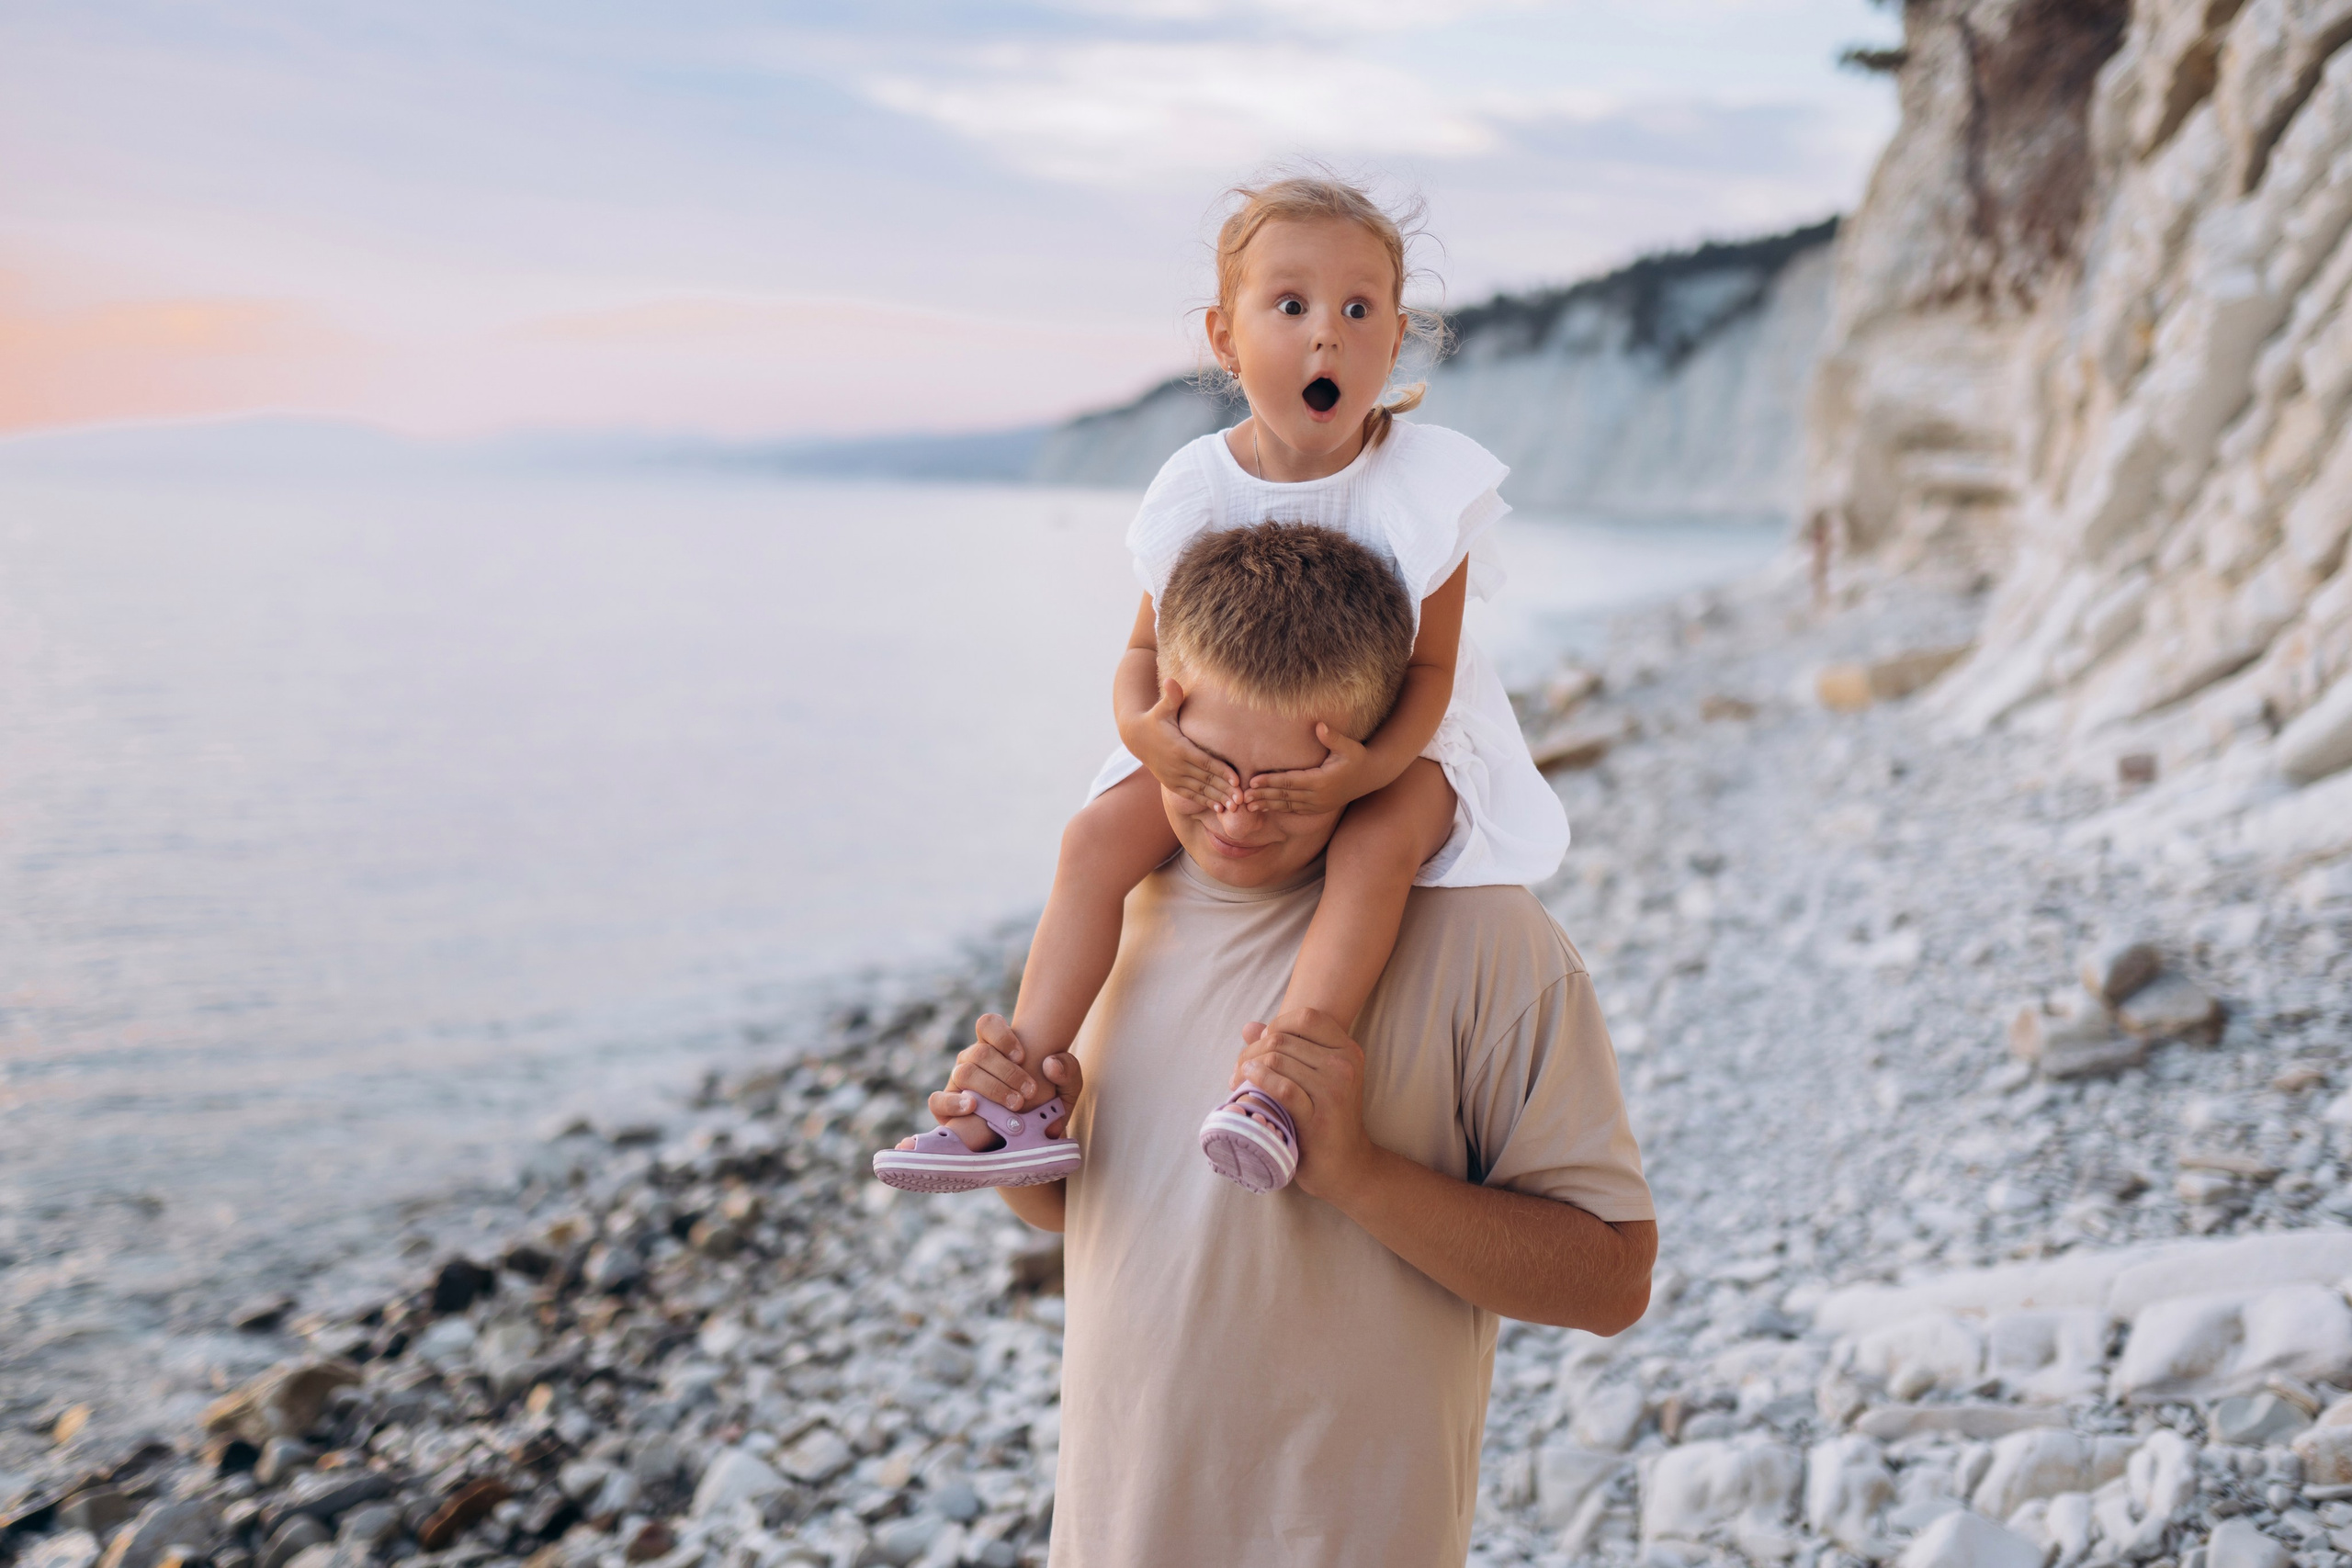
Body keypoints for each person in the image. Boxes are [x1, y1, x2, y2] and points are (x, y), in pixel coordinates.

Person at [906, 522, 1655, 1566]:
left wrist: (1355, 1173)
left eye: (1288, 784)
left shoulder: (1489, 941)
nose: (1237, 816)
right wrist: (1021, 1140)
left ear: (1369, 746)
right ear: (1161, 713)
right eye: (1204, 768)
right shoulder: (1117, 912)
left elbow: (1612, 1282)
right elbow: (1097, 1221)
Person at [872, 172, 1567, 1197]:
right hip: (1221, 742)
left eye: (1358, 310)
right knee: (1094, 838)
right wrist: (1144, 734)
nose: (1325, 334)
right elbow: (1141, 654)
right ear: (1224, 338)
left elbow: (1433, 671)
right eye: (1289, 305)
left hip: (1394, 742)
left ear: (1395, 340)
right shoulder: (1199, 484)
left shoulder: (1425, 483)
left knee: (1377, 845)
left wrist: (1367, 769)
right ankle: (1019, 1092)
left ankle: (1281, 1079)